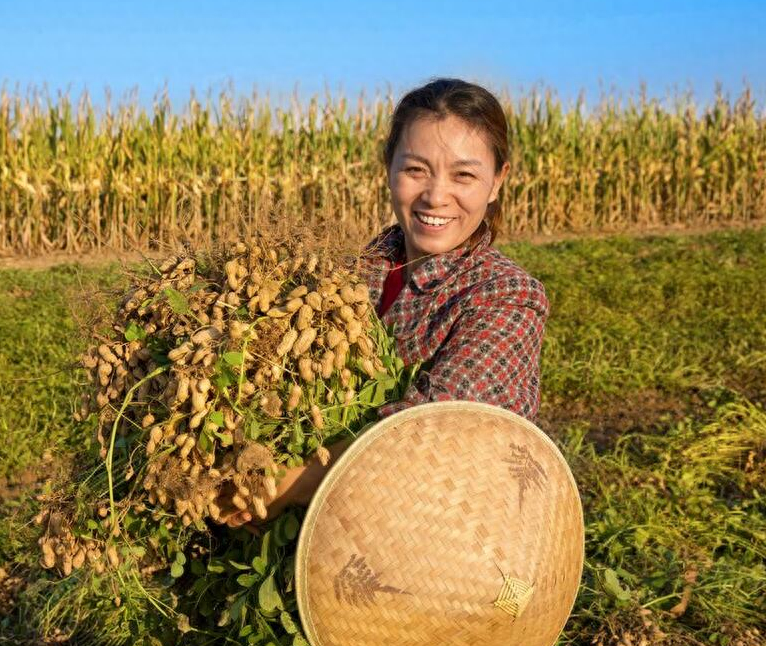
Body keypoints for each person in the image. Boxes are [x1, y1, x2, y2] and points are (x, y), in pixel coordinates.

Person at [217, 78, 550, 531]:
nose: (435, 195)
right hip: (322, 528)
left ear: (497, 182)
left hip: (430, 539)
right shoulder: (350, 275)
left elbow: (427, 431)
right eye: (416, 169)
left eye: (464, 175)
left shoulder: (506, 297)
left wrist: (281, 488)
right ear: (388, 167)